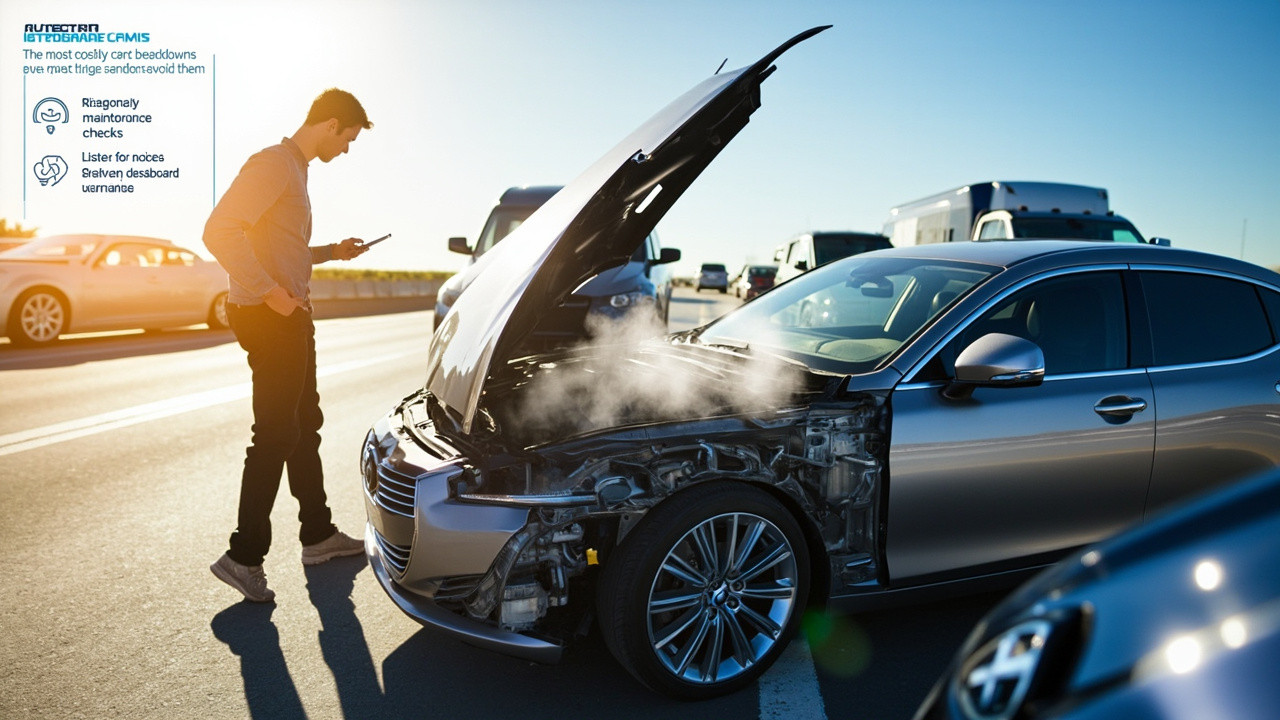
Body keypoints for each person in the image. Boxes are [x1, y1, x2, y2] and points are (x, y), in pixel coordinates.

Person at [204, 88, 374, 602]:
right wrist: (270, 294)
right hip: (270, 315)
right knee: (276, 434)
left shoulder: (296, 171)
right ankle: (243, 556)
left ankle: (318, 535)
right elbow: (219, 231)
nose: (345, 150)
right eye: (346, 138)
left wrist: (330, 252)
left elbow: (281, 247)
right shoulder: (274, 164)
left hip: (289, 313)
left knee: (305, 424)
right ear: (330, 123)